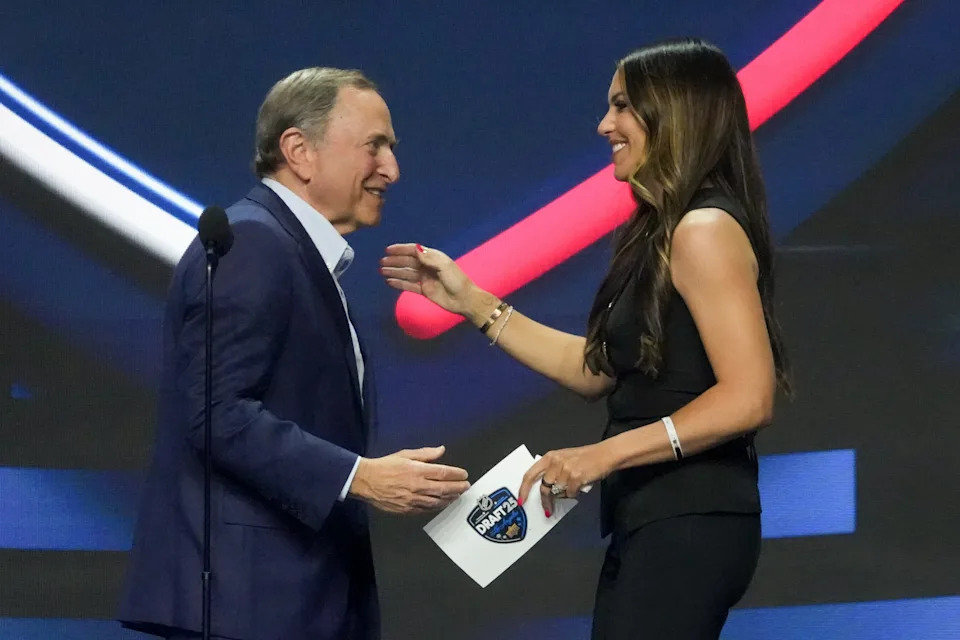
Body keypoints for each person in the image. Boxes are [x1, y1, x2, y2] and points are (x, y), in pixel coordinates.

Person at [380, 38, 790, 639]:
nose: (605, 125)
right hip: (651, 517)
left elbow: (749, 396)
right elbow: (597, 371)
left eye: (622, 106)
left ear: (674, 113)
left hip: (690, 520)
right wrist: (471, 302)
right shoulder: (659, 231)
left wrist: (603, 455)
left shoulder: (703, 229)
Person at [119, 67, 470, 640]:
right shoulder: (253, 244)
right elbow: (216, 414)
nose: (391, 169)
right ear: (299, 151)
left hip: (291, 599)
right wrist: (360, 477)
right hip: (248, 603)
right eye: (374, 146)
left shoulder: (290, 249)